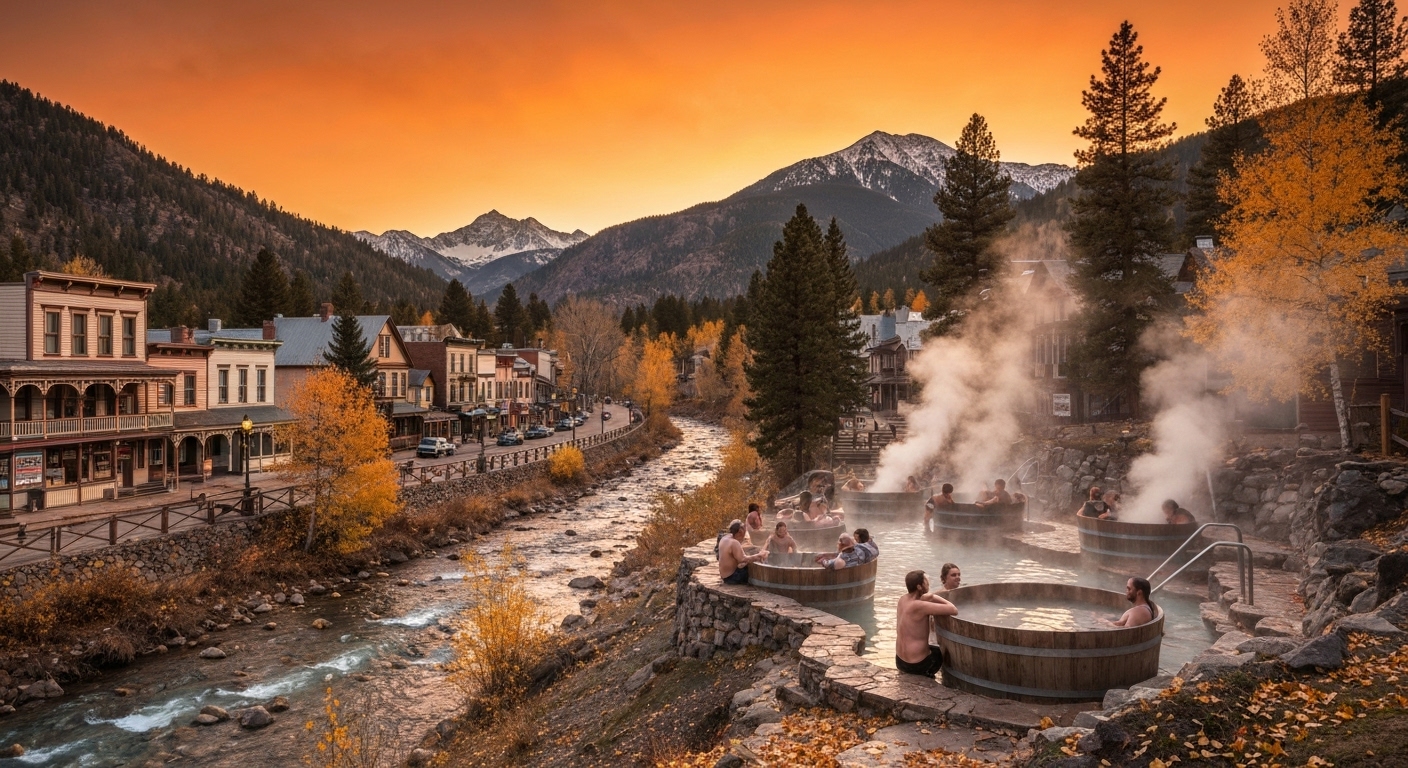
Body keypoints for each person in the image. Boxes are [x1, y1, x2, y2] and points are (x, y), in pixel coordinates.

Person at [896, 570, 958, 678]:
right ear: (919, 586)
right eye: (926, 581)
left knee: (930, 646)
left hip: (900, 661)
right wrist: (933, 597)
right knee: (940, 651)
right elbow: (953, 609)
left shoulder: (902, 599)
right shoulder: (919, 606)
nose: (928, 584)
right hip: (917, 665)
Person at [719, 520, 768, 584]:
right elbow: (742, 559)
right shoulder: (734, 542)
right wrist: (759, 555)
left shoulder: (725, 538)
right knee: (755, 568)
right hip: (731, 577)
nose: (744, 536)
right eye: (744, 533)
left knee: (750, 562)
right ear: (740, 532)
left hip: (724, 576)